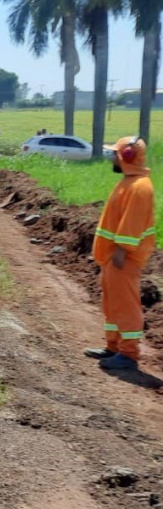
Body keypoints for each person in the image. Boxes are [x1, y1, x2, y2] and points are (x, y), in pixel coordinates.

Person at [85, 136, 155, 371]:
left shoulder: (139, 187)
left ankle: (129, 353)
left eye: (114, 154)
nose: (111, 158)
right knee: (112, 304)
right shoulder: (129, 181)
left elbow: (132, 224)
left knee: (125, 306)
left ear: (126, 156)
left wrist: (121, 250)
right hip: (112, 257)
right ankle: (113, 347)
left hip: (123, 258)